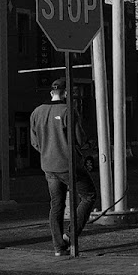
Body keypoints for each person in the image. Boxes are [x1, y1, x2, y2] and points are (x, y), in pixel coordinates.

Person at [29, 77, 97, 256]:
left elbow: (34, 142)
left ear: (51, 93)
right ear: (66, 93)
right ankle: (70, 236)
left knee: (56, 204)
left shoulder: (37, 112)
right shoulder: (69, 110)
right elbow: (80, 139)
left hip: (48, 166)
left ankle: (58, 246)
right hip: (68, 164)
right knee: (89, 196)